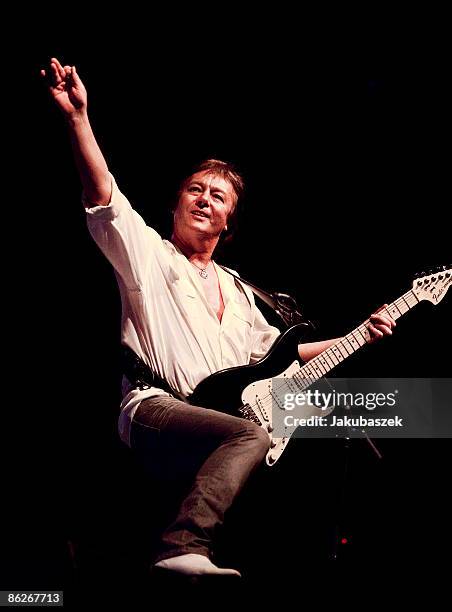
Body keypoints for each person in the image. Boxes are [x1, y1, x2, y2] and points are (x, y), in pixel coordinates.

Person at [41, 58, 396, 579]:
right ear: (177, 203)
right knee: (248, 437)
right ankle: (181, 545)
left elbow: (278, 358)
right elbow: (104, 198)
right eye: (195, 190)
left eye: (218, 196)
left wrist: (360, 334)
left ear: (229, 221)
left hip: (221, 419)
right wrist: (77, 118)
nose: (205, 199)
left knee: (345, 427)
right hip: (155, 411)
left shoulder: (239, 290)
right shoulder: (151, 257)